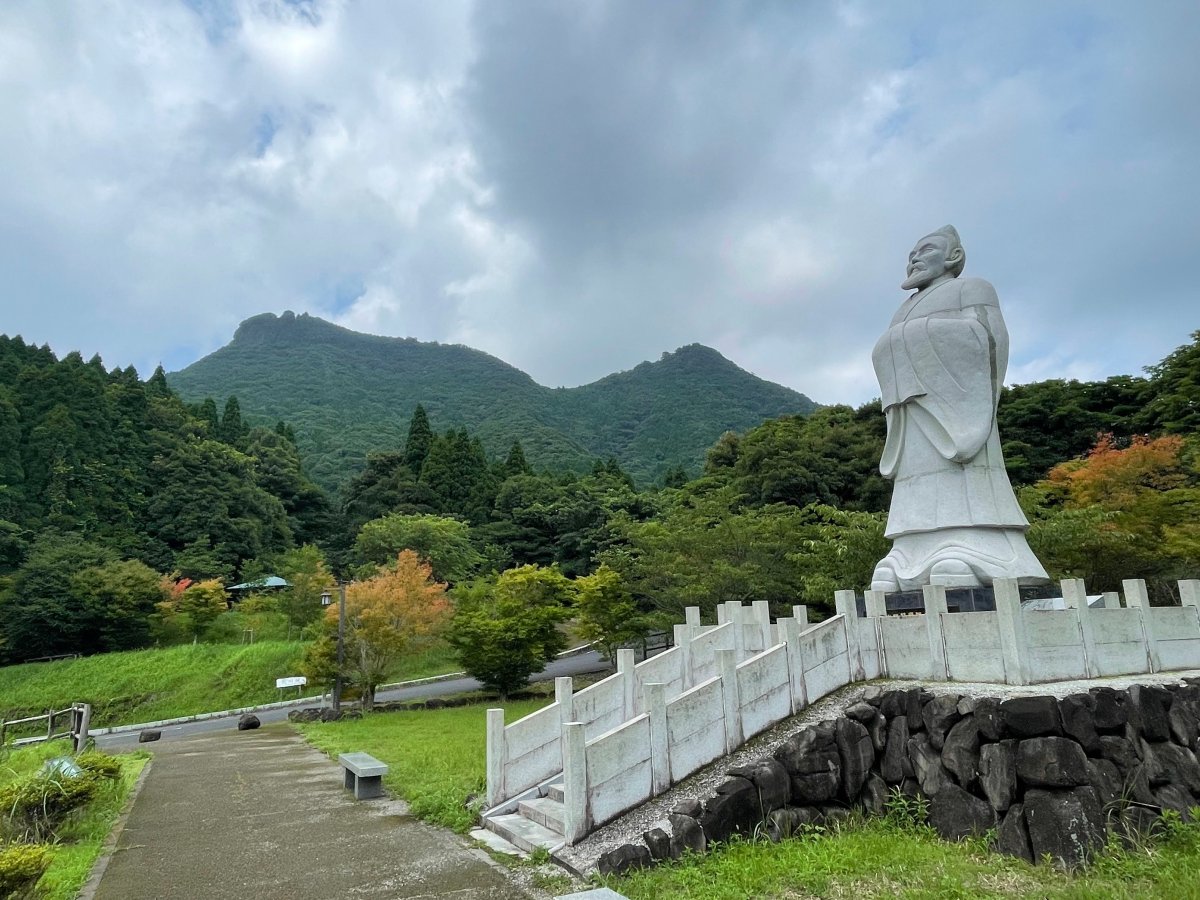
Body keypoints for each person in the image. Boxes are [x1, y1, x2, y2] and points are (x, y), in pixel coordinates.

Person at [869, 225, 1047, 592]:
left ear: (954, 257)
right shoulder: (902, 310)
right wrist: (899, 342)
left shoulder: (973, 288)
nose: (914, 259)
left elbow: (990, 341)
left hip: (954, 410)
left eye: (926, 249)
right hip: (912, 408)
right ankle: (909, 553)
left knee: (962, 477)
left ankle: (976, 549)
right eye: (910, 255)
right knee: (917, 474)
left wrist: (912, 338)